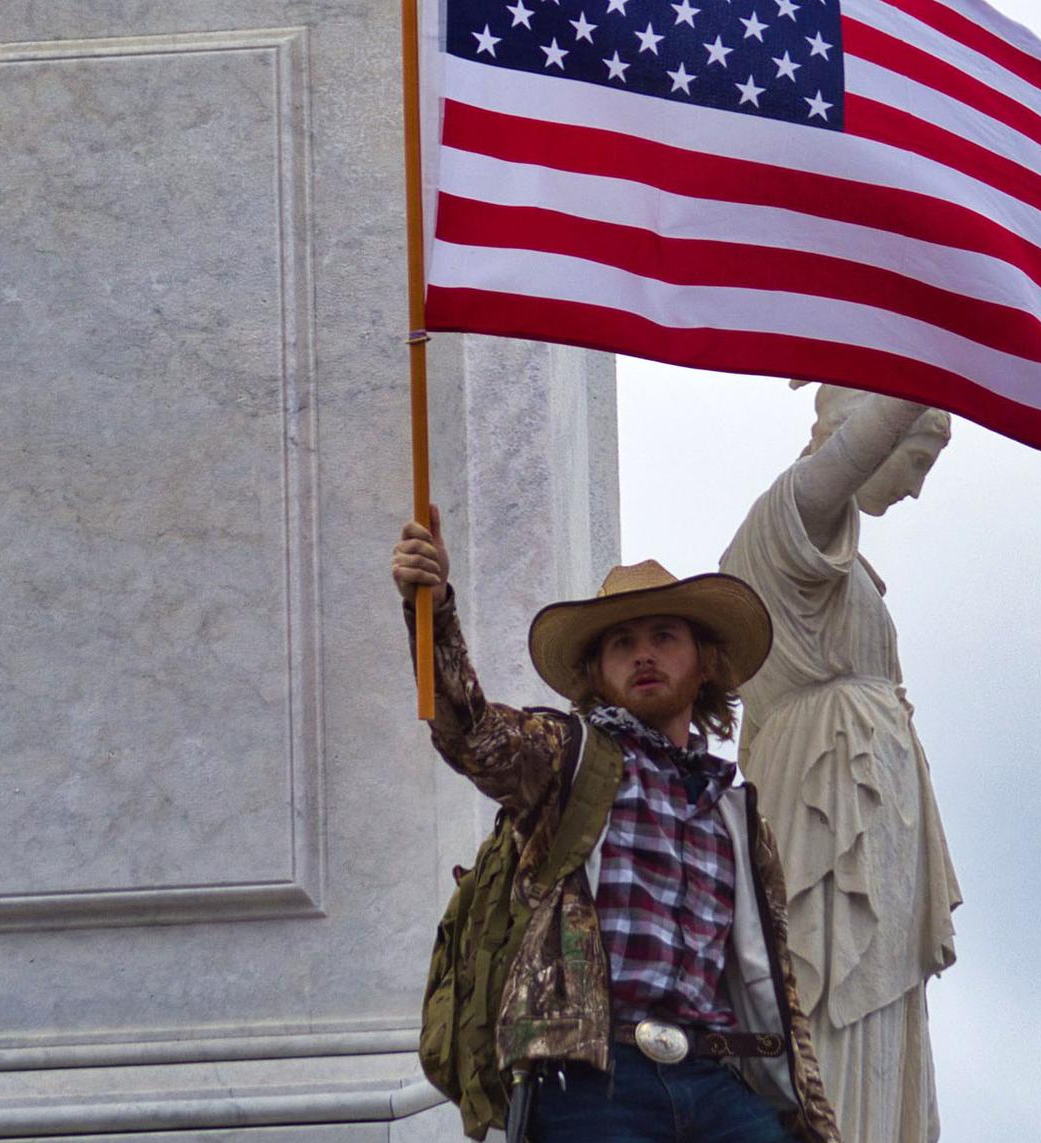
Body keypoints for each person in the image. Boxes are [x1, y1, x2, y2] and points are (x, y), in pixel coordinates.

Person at [392, 506, 839, 1143]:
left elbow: (776, 989)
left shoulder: (739, 817)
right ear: (597, 674)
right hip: (594, 1077)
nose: (644, 655)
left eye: (664, 636)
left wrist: (813, 1122)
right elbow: (470, 731)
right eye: (622, 644)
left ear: (705, 662)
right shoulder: (566, 757)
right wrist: (431, 611)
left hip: (717, 1081)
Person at [718, 386, 962, 1143]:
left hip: (873, 819)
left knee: (880, 1024)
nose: (918, 483)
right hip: (825, 810)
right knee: (825, 1003)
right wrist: (927, 358)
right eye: (918, 456)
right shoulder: (787, 524)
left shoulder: (847, 566)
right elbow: (840, 463)